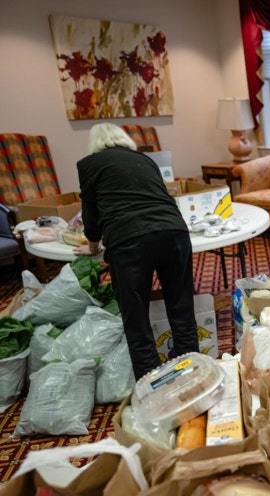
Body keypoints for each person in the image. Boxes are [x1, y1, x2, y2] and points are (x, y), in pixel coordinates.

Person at [76, 123, 198, 380]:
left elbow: (91, 216)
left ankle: (153, 383)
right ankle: (192, 374)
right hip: (174, 232)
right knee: (181, 307)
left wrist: (92, 245)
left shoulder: (88, 165)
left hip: (128, 240)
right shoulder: (144, 159)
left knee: (136, 318)